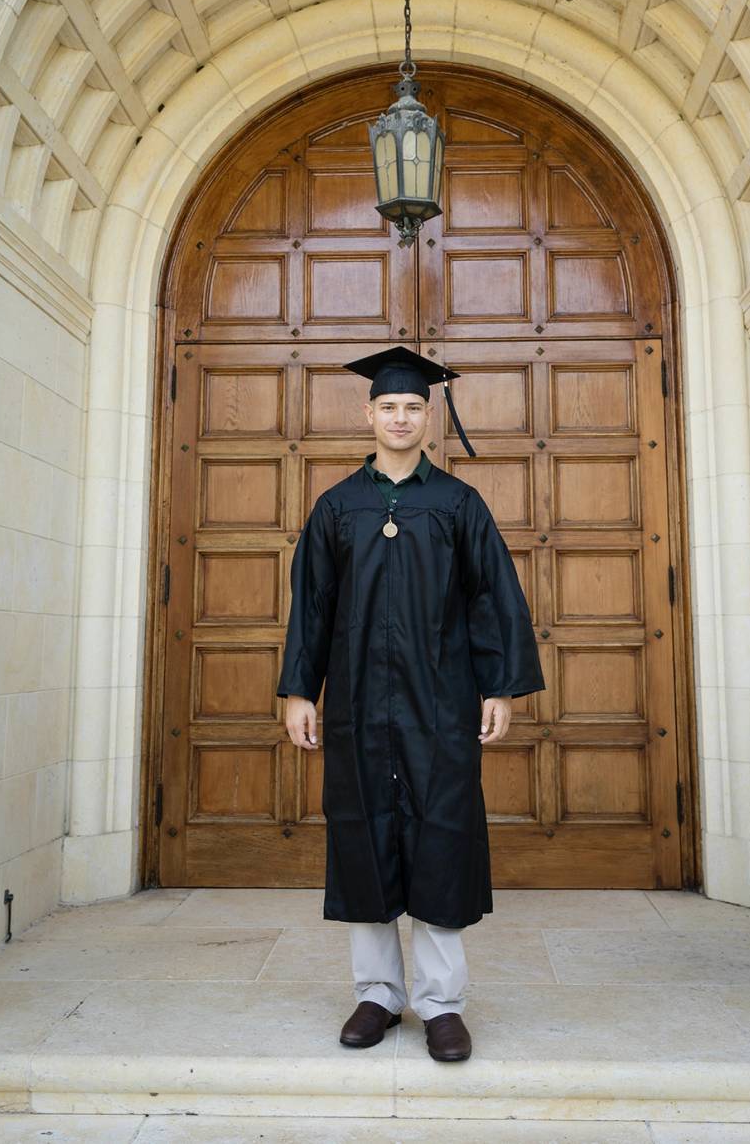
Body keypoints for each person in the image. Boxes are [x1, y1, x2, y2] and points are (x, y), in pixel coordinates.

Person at [276, 345, 545, 1062]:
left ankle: (441, 1002)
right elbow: (312, 607)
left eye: (413, 406)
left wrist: (499, 687)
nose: (400, 416)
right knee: (362, 834)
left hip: (440, 699)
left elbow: (493, 599)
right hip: (360, 700)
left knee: (441, 836)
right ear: (368, 414)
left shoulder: (458, 504)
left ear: (430, 417)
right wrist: (300, 689)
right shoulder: (338, 505)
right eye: (389, 406)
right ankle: (377, 994)